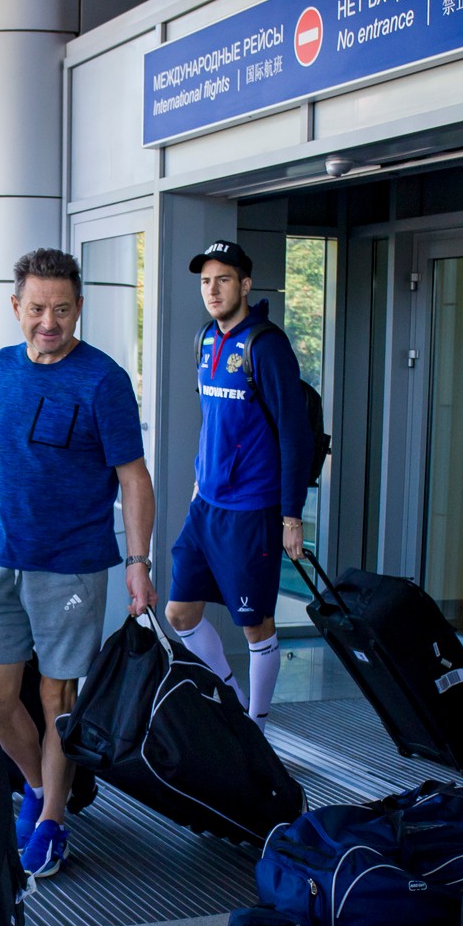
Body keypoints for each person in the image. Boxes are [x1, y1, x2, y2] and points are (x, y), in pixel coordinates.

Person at [0, 247, 155, 880]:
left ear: (79, 309)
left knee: (56, 694)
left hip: (72, 564)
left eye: (62, 310)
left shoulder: (103, 380)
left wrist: (138, 561)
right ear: (16, 308)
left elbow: (134, 478)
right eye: (37, 309)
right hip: (5, 554)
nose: (49, 322)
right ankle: (40, 788)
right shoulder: (2, 368)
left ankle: (52, 821)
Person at [164, 241, 312, 724]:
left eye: (223, 279)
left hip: (252, 511)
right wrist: (196, 481)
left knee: (255, 624)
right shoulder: (205, 339)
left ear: (245, 285)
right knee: (179, 614)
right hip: (206, 505)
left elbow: (294, 433)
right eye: (206, 281)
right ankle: (231, 697)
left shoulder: (266, 345)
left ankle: (259, 723)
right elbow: (215, 421)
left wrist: (293, 516)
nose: (212, 289)